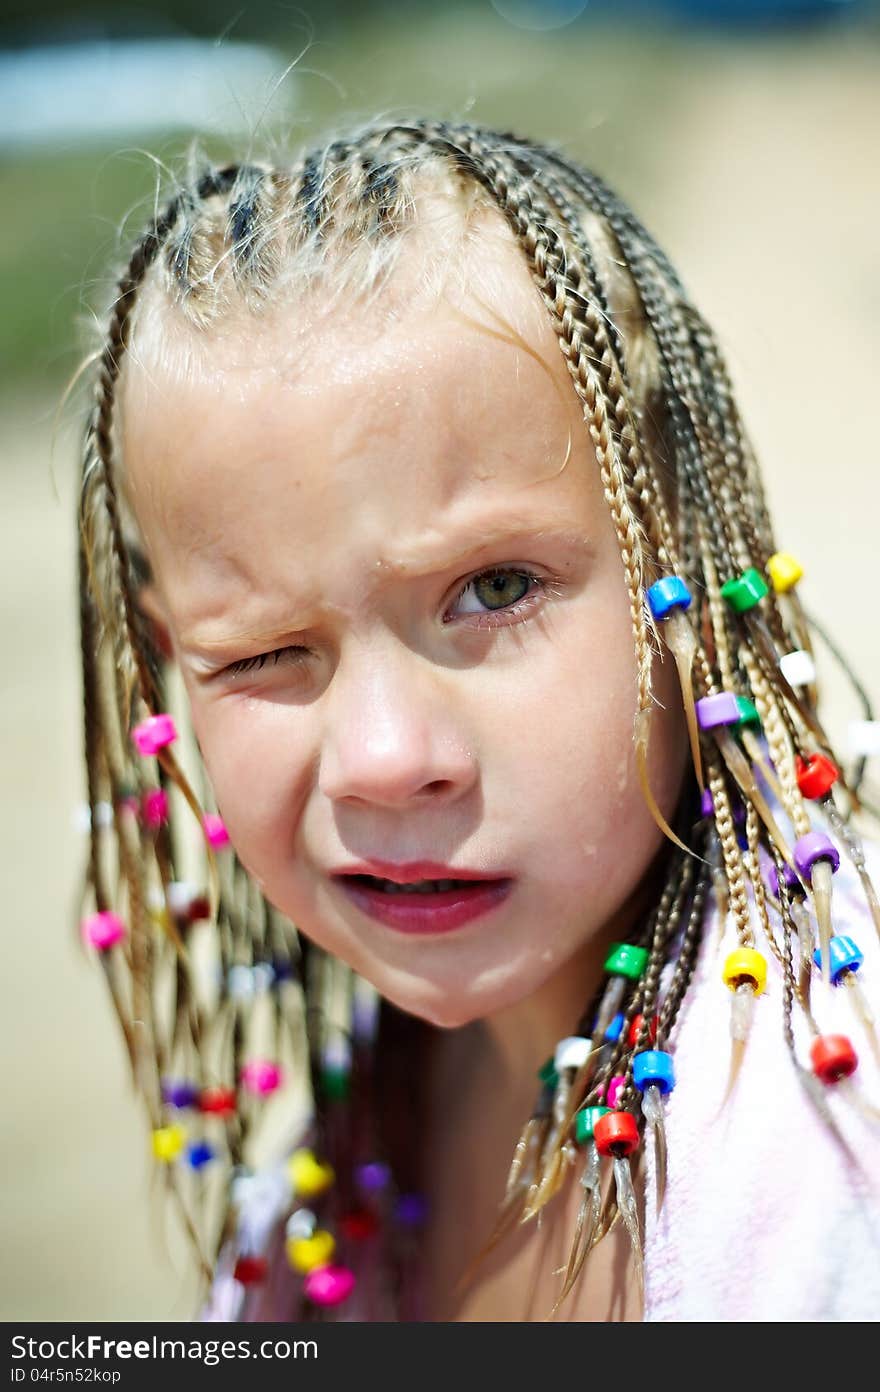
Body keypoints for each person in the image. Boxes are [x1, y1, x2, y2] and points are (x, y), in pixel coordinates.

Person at [74, 117, 880, 1322]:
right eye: (261, 652)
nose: (389, 761)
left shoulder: (838, 1145)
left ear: (685, 550)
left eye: (495, 589)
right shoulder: (321, 1197)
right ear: (161, 654)